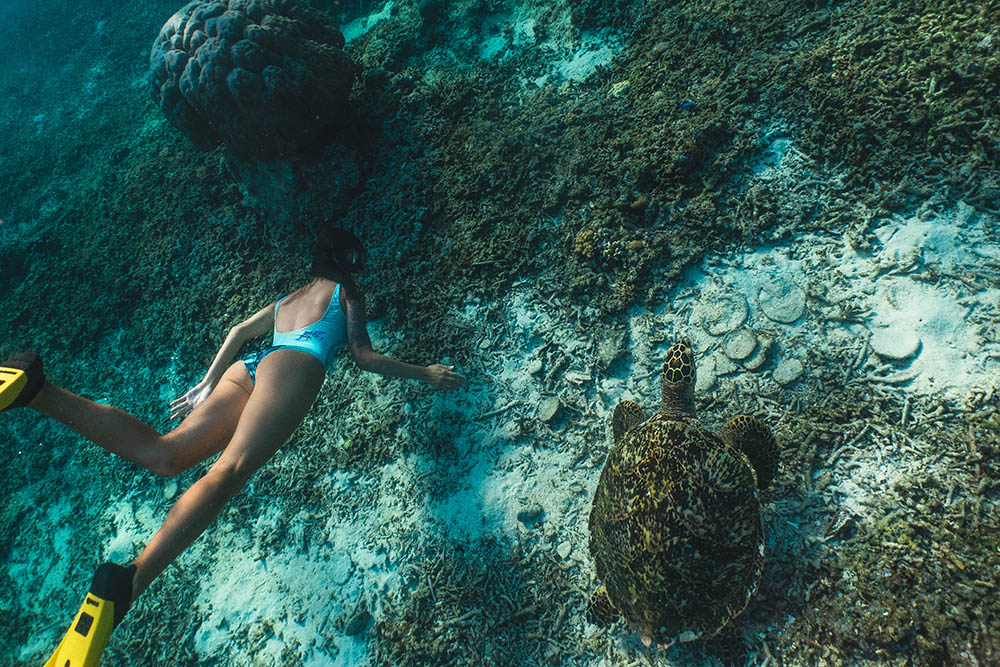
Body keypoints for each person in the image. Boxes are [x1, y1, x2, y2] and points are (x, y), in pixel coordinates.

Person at [1, 227, 464, 661]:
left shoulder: (289, 299)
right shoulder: (347, 292)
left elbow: (239, 333)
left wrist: (207, 383)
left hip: (248, 366)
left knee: (166, 453)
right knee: (228, 472)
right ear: (350, 261)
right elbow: (363, 356)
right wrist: (424, 372)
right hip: (295, 365)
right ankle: (127, 585)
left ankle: (38, 391)